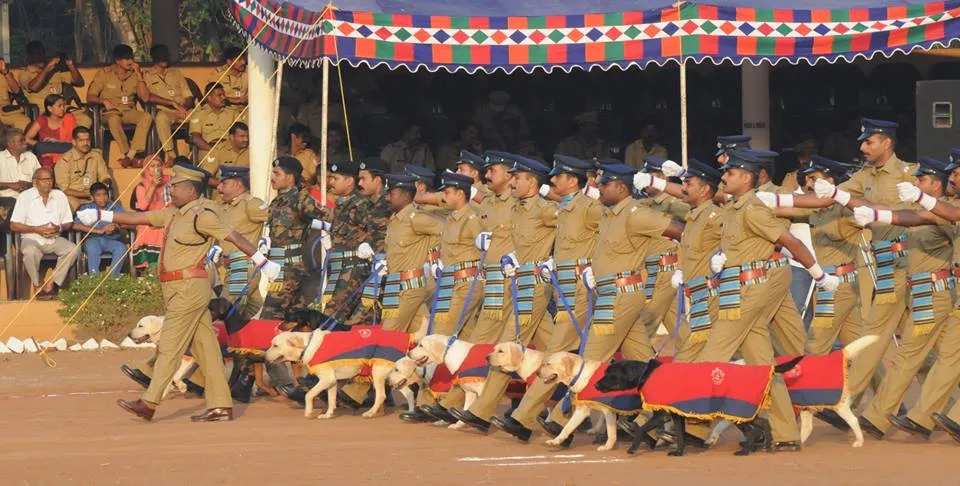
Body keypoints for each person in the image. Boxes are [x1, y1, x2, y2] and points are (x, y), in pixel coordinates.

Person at [78, 161, 280, 422]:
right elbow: (141, 218)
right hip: (174, 287)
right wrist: (103, 216)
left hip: (189, 288)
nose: (171, 190)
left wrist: (263, 262)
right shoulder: (175, 212)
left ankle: (149, 401)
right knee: (206, 347)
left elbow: (234, 237)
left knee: (170, 344)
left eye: (176, 186)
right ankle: (220, 405)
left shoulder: (202, 215)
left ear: (192, 190)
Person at [681, 149, 841, 451]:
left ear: (746, 177)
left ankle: (693, 426)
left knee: (710, 358)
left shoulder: (753, 209)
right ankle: (785, 433)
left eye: (730, 173)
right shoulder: (732, 209)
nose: (724, 177)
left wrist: (818, 275)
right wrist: (720, 258)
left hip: (750, 291)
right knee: (761, 363)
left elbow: (789, 241)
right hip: (737, 289)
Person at [775, 118, 916, 429]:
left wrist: (846, 199)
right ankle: (878, 408)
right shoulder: (863, 175)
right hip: (878, 271)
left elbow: (908, 213)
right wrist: (770, 201)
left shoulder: (911, 174)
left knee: (915, 341)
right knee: (876, 341)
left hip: (907, 265)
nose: (862, 147)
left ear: (886, 143)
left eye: (869, 142)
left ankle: (835, 402)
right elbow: (827, 199)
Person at [490, 154, 603, 441]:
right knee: (607, 353)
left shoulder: (587, 208)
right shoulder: (564, 208)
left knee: (556, 356)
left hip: (581, 288)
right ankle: (644, 413)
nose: (551, 180)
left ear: (573, 180)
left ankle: (526, 417)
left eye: (558, 176)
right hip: (561, 286)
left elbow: (617, 231)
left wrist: (597, 266)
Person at [847, 156, 956, 440]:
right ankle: (884, 417)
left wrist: (920, 198)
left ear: (935, 184)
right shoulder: (922, 208)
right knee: (921, 357)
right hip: (920, 291)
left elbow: (935, 215)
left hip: (937, 292)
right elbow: (904, 215)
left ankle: (912, 416)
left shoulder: (946, 209)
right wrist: (872, 215)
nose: (915, 183)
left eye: (922, 181)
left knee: (936, 357)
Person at [452, 155, 559, 432]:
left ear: (532, 183)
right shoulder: (520, 209)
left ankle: (488, 412)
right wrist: (511, 256)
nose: (513, 180)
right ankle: (560, 408)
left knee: (506, 347)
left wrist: (556, 259)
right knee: (555, 353)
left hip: (533, 287)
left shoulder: (545, 209)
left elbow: (575, 228)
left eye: (518, 177)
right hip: (518, 283)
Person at [633, 156, 689, 346]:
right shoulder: (644, 203)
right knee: (677, 326)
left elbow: (696, 210)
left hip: (666, 271)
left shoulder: (674, 202)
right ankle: (692, 361)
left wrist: (683, 178)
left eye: (653, 176)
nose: (647, 181)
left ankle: (637, 364)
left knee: (645, 321)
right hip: (651, 271)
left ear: (663, 178)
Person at [260, 157, 324, 320]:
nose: (273, 177)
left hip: (290, 267)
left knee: (271, 314)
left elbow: (330, 217)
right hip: (277, 264)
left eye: (277, 173)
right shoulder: (277, 201)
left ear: (290, 177)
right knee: (295, 316)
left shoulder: (300, 200)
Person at [316, 160, 375, 325]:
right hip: (339, 267)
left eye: (335, 178)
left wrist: (370, 247)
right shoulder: (342, 204)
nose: (331, 182)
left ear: (349, 181)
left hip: (352, 269)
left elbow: (376, 231)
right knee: (343, 319)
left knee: (331, 317)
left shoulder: (360, 204)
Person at [9, 167, 78, 299]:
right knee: (30, 252)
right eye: (44, 180)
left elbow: (69, 222)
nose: (48, 182)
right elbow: (14, 225)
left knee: (73, 249)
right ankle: (38, 285)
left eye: (50, 179)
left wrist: (58, 229)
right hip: (32, 238)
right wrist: (36, 229)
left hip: (54, 238)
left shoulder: (60, 195)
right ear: (35, 182)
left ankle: (52, 284)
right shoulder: (25, 197)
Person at [211, 165, 268, 319]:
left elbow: (279, 219)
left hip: (243, 267)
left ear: (237, 184)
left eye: (224, 183)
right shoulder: (223, 206)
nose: (219, 187)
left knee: (225, 309)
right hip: (230, 267)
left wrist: (268, 245)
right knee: (254, 311)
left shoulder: (251, 204)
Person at [86, 44, 153, 168]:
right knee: (114, 119)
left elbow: (145, 98)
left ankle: (129, 157)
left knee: (146, 116)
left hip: (128, 111)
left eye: (131, 58)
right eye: (126, 59)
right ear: (117, 60)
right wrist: (103, 101)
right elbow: (89, 96)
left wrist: (139, 75)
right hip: (110, 112)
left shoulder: (134, 74)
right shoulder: (104, 73)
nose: (130, 62)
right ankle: (130, 156)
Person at [18, 41, 90, 128]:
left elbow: (79, 82)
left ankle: (74, 141)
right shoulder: (25, 73)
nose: (40, 56)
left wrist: (71, 66)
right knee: (63, 122)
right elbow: (34, 87)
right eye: (37, 53)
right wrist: (47, 68)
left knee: (85, 120)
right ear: (30, 56)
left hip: (61, 108)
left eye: (42, 53)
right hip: (42, 110)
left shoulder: (55, 71)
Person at [143, 44, 194, 163]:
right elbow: (148, 97)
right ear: (154, 58)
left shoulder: (176, 73)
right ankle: (171, 155)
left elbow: (189, 96)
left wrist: (184, 107)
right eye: (161, 57)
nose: (164, 59)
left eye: (166, 56)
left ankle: (184, 156)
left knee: (200, 118)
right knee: (161, 118)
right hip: (165, 111)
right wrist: (171, 103)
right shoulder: (147, 76)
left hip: (183, 110)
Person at [72, 182, 127, 275]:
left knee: (122, 248)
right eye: (98, 195)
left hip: (112, 240)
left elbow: (131, 222)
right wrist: (99, 230)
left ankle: (113, 279)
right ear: (92, 197)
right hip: (93, 240)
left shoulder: (115, 207)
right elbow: (75, 225)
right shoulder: (86, 208)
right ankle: (95, 280)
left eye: (105, 194)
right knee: (92, 248)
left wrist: (116, 226)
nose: (103, 198)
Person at [54, 126, 113, 211]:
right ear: (74, 142)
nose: (86, 143)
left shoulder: (96, 156)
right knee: (74, 206)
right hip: (74, 197)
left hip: (95, 195)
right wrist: (86, 194)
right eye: (81, 140)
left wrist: (103, 186)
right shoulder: (64, 161)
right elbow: (64, 189)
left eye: (88, 140)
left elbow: (105, 176)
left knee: (113, 209)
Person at [130, 156, 171, 271]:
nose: (156, 169)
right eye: (152, 166)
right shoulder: (141, 186)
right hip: (148, 222)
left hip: (165, 220)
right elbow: (143, 207)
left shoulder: (169, 182)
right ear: (146, 169)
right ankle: (151, 273)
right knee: (150, 231)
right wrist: (153, 186)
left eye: (158, 166)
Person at [189, 83, 242, 163]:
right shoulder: (199, 114)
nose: (223, 97)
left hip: (229, 151)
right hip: (208, 151)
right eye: (219, 95)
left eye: (224, 94)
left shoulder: (233, 113)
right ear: (209, 98)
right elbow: (195, 138)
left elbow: (241, 134)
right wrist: (214, 151)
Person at [0, 129, 41, 231]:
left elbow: (42, 179)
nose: (25, 142)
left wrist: (29, 185)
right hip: (6, 199)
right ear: (10, 144)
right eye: (21, 140)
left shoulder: (31, 157)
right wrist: (10, 185)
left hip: (30, 197)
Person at [24, 94, 77, 168]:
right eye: (59, 106)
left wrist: (58, 141)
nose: (63, 109)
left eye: (63, 106)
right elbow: (26, 138)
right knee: (40, 147)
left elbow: (75, 141)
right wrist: (40, 144)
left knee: (74, 147)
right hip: (47, 149)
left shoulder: (69, 118)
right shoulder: (42, 120)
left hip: (65, 148)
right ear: (50, 108)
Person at [0, 57, 29, 130]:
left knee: (25, 122)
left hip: (4, 112)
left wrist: (5, 71)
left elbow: (16, 91)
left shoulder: (3, 75)